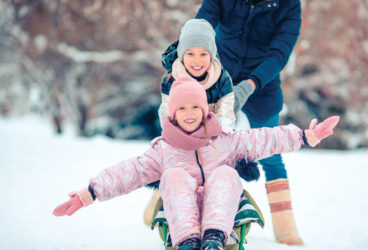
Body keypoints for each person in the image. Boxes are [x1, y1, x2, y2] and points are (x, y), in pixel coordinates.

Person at [53, 76, 339, 250]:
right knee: (173, 176)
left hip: (222, 215)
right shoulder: (163, 150)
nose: (189, 113)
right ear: (172, 114)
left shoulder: (225, 140)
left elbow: (264, 139)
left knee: (226, 173)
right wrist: (89, 193)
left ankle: (214, 239)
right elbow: (129, 171)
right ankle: (189, 243)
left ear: (204, 111)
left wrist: (304, 135)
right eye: (182, 108)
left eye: (194, 107)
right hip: (182, 218)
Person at [196, 0, 305, 245]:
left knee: (271, 153)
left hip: (262, 84)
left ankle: (286, 229)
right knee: (196, 145)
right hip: (218, 75)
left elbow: (279, 53)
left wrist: (249, 85)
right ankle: (166, 204)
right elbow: (203, 24)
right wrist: (193, 60)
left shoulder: (289, 5)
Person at [144, 18, 237, 226]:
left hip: (211, 129)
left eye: (203, 54)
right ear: (182, 55)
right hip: (180, 131)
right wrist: (180, 137)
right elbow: (169, 113)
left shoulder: (222, 78)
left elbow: (226, 108)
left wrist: (221, 130)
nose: (197, 60)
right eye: (191, 53)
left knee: (216, 168)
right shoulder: (171, 79)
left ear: (211, 55)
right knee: (182, 170)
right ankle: (166, 198)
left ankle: (219, 207)